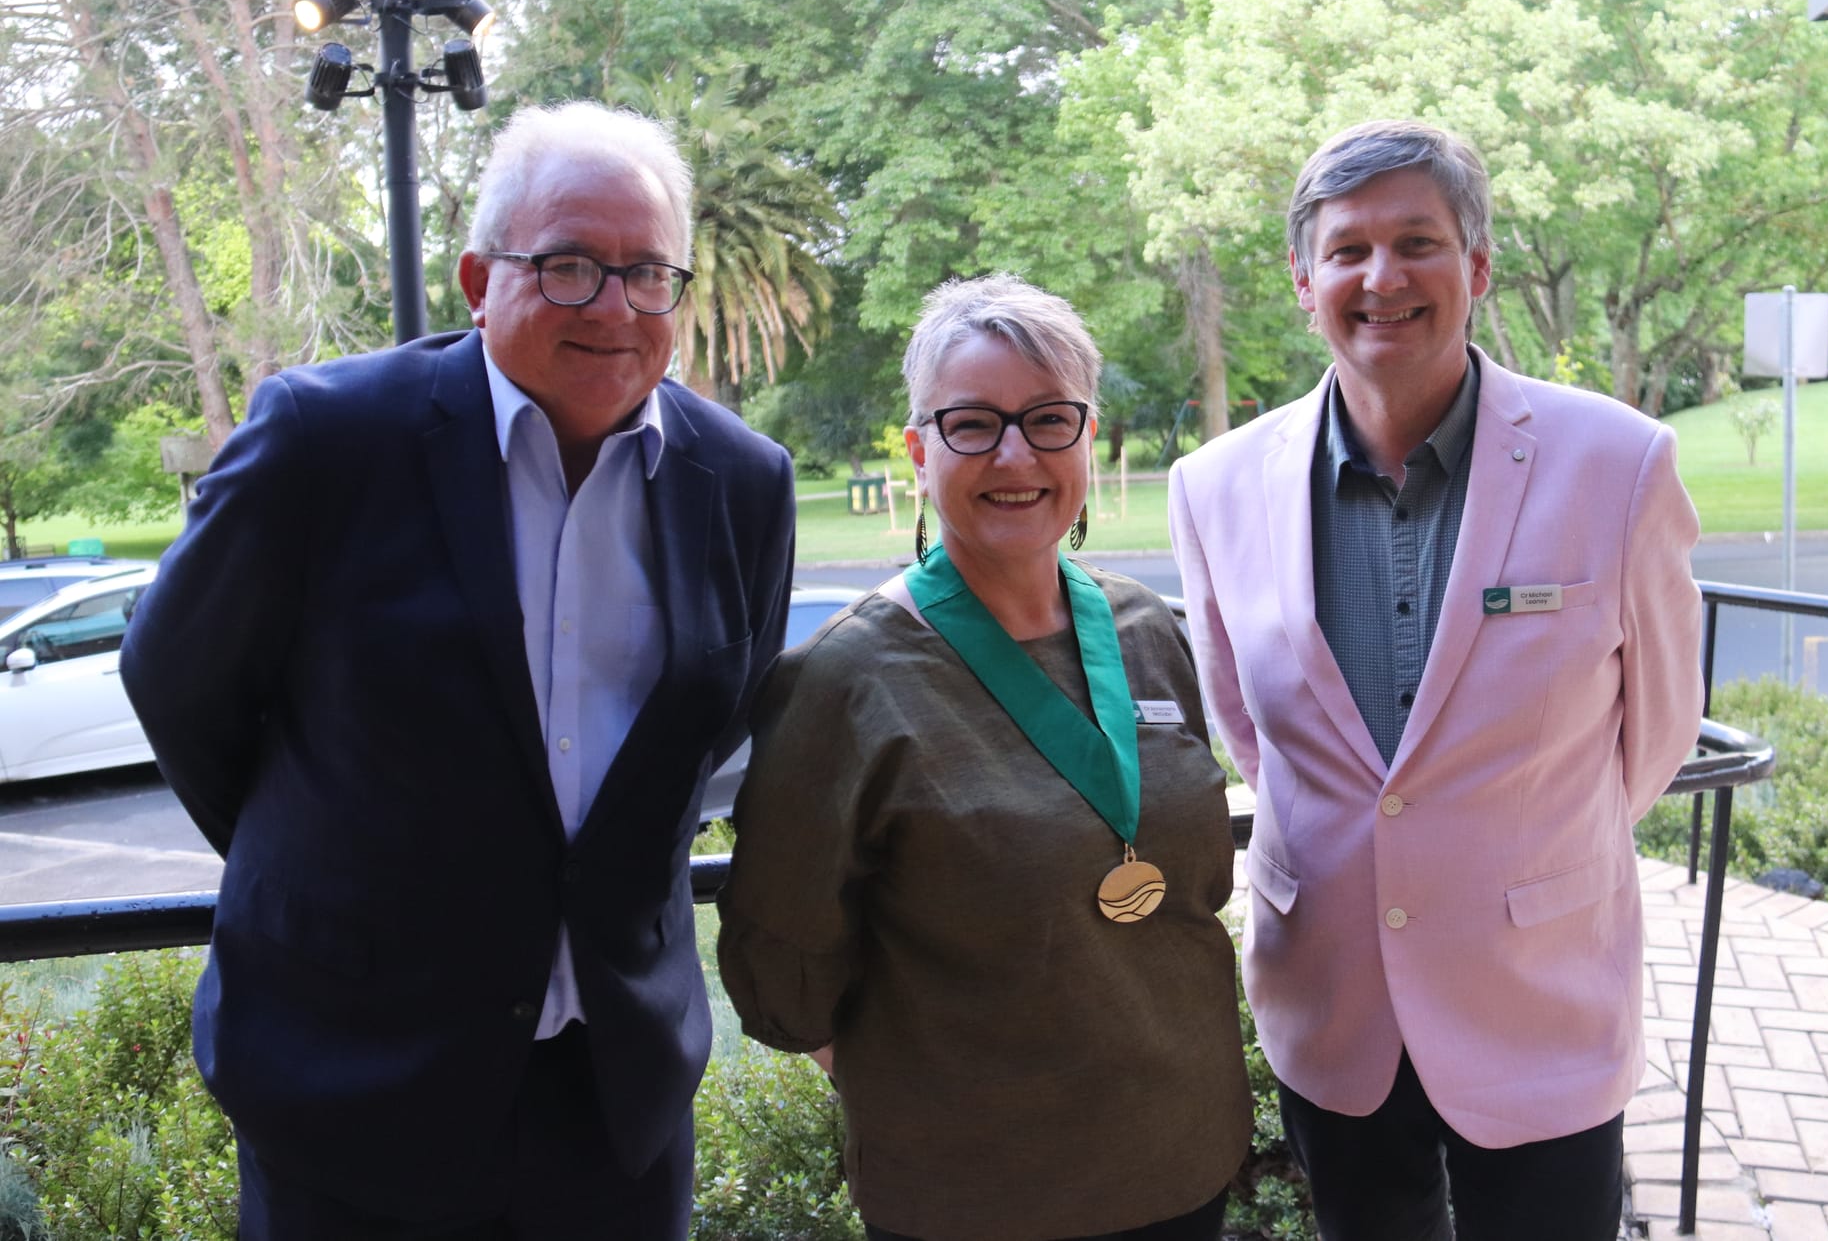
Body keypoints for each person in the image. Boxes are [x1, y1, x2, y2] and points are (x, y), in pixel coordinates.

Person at [120, 101, 796, 1238]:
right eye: (570, 265)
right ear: (482, 280)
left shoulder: (741, 481)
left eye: (647, 274)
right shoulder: (325, 441)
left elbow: (714, 721)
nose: (614, 307)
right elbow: (180, 683)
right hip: (351, 1087)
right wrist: (340, 862)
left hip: (612, 1105)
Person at [1167, 120, 1704, 1240]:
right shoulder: (1211, 486)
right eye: (1348, 247)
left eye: (1417, 241)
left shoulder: (1616, 463)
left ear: (1476, 267)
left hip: (1539, 995)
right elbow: (1251, 734)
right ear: (1302, 275)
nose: (1381, 277)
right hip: (1330, 1004)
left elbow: (1653, 731)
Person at [717, 274, 1250, 1241]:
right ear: (920, 449)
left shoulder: (1142, 629)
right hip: (978, 1194)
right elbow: (786, 968)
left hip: (1182, 1159)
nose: (1016, 454)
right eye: (973, 423)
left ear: (1089, 438)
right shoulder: (845, 680)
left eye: (1050, 419)